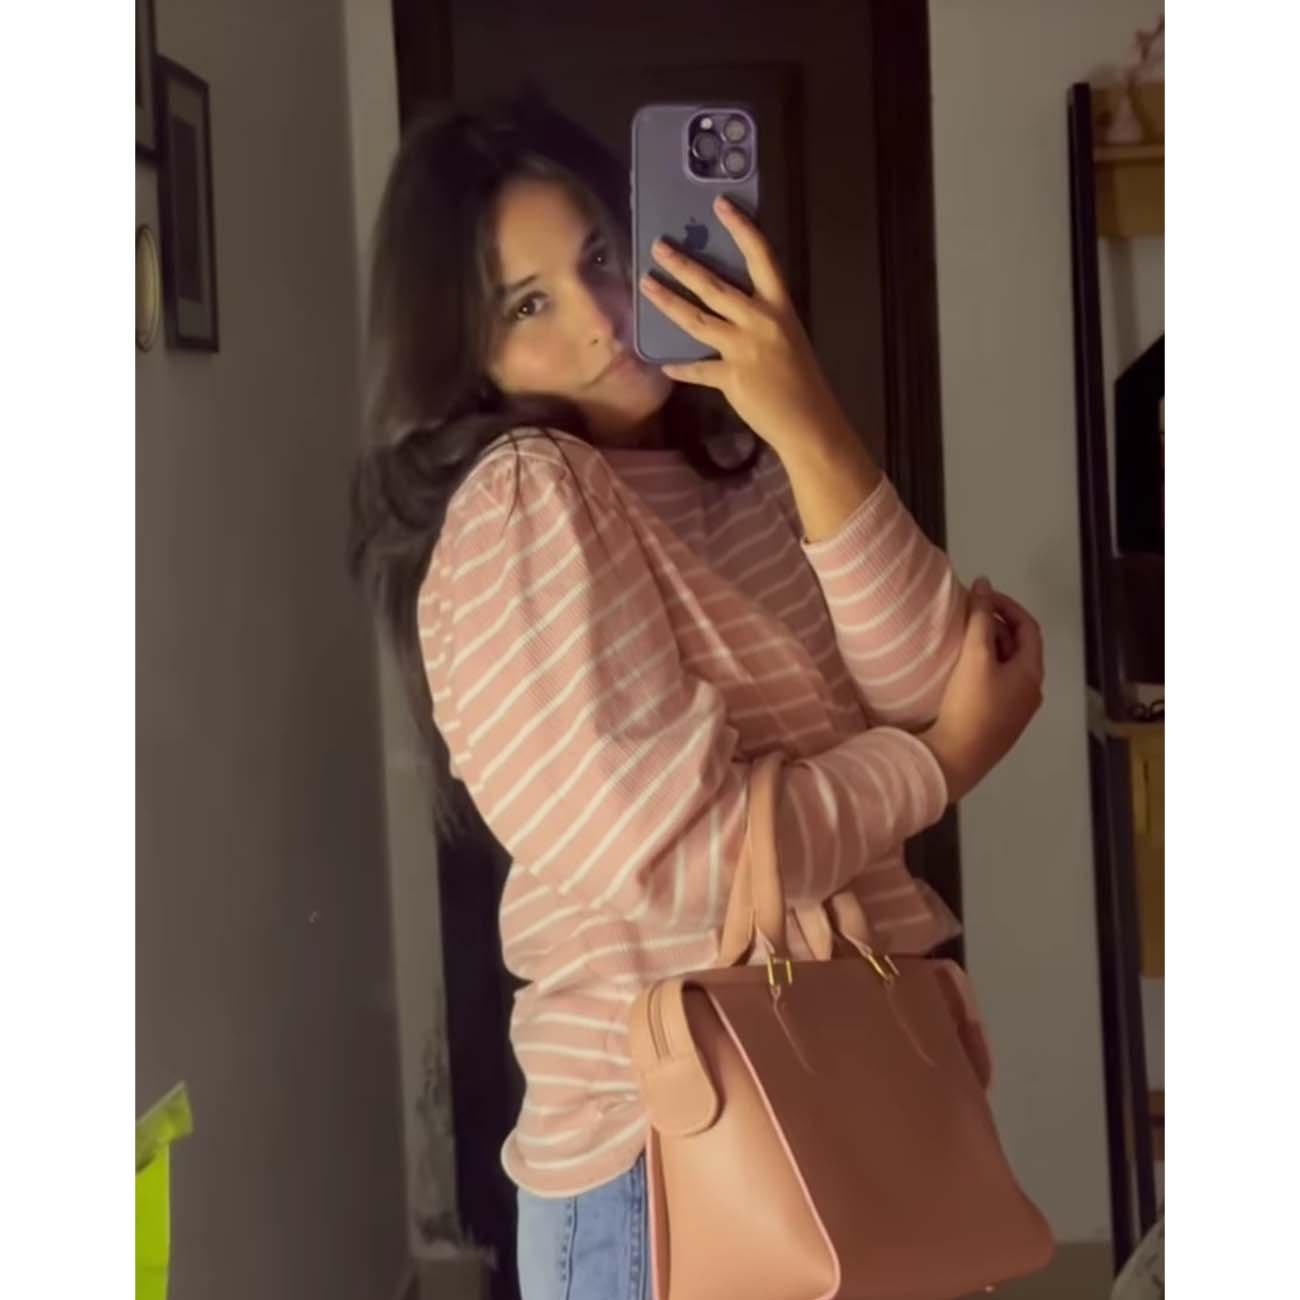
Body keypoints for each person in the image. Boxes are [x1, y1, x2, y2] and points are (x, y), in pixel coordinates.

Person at [350, 88, 1044, 1300]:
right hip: (668, 1149)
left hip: (850, 1086)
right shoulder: (521, 503)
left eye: (599, 258)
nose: (600, 319)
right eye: (526, 305)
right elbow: (682, 853)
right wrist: (938, 765)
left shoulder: (741, 475)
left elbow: (938, 676)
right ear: (464, 355)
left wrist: (807, 421)